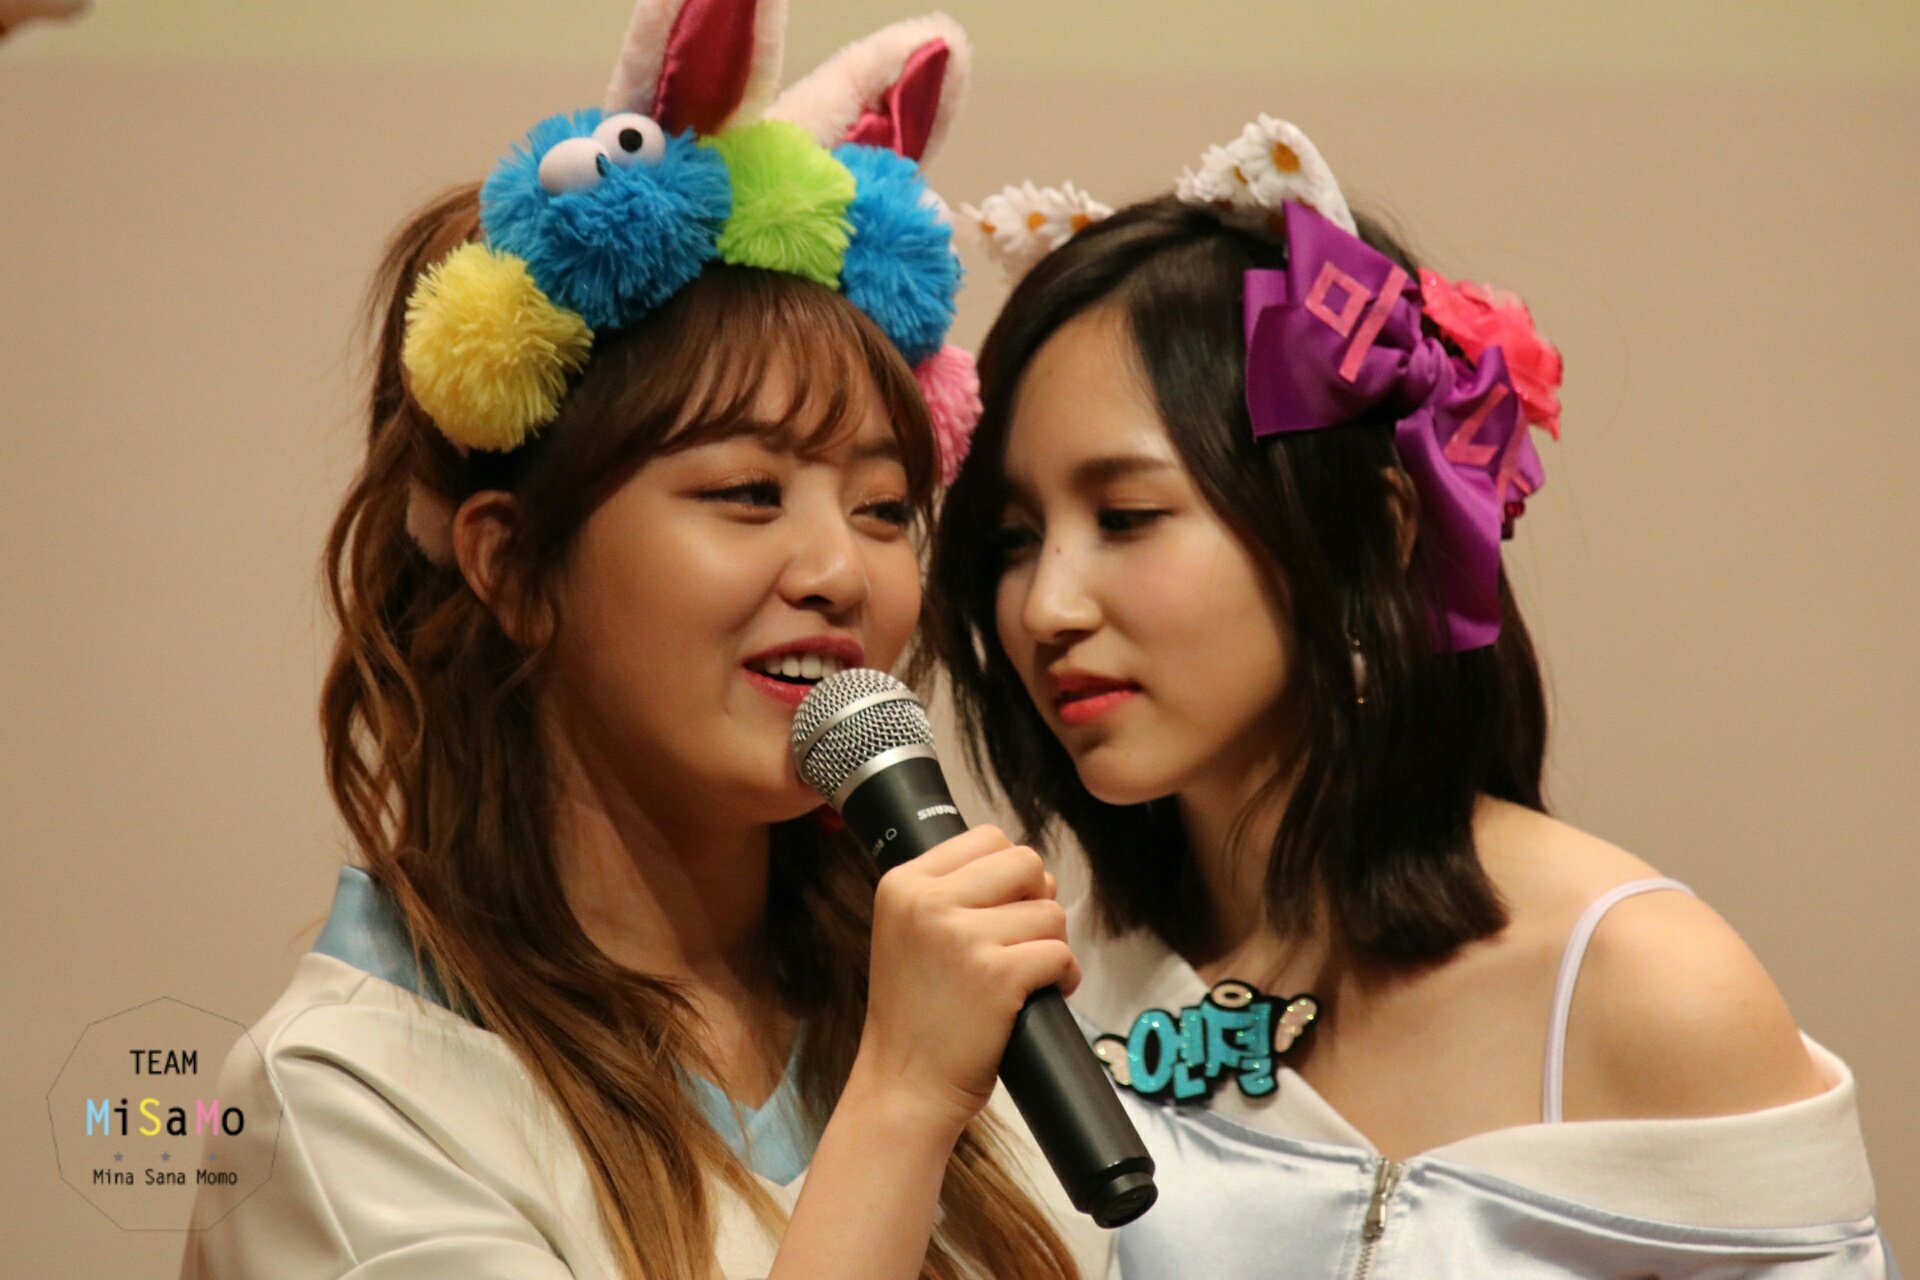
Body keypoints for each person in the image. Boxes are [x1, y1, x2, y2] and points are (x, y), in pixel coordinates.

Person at [179, 4, 1110, 1278]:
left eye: (885, 507)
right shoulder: (344, 1092)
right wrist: (898, 1099)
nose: (841, 572)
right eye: (748, 492)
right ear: (513, 564)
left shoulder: (954, 1017)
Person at [931, 114, 1894, 1275]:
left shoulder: (1643, 983)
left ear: (1376, 535)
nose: (1046, 605)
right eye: (1014, 538)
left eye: (1127, 516)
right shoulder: (1050, 992)